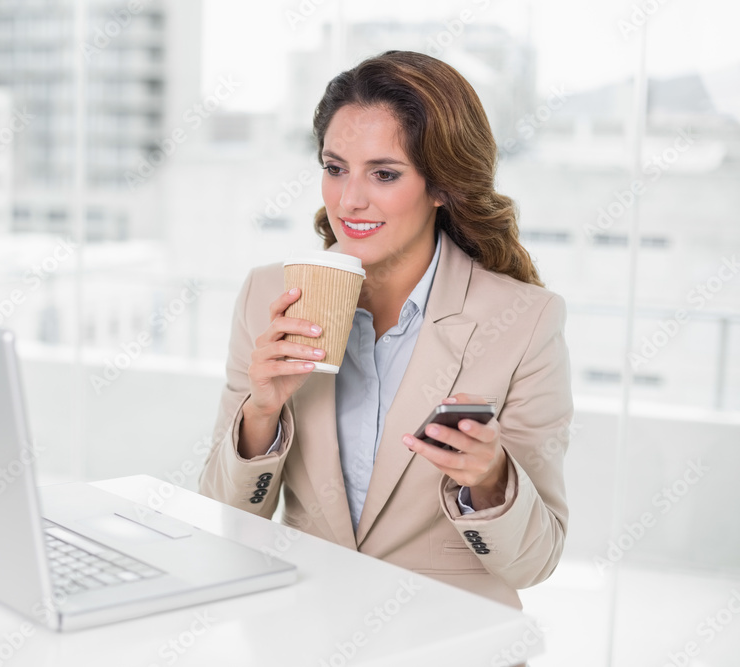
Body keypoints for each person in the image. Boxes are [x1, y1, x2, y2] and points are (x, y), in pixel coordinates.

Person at [198, 50, 573, 610]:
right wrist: (261, 414)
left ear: (443, 185)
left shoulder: (524, 320)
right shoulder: (268, 295)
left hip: (448, 637)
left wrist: (491, 479)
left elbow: (534, 562)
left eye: (385, 174)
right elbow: (223, 522)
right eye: (334, 168)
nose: (349, 200)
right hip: (305, 628)